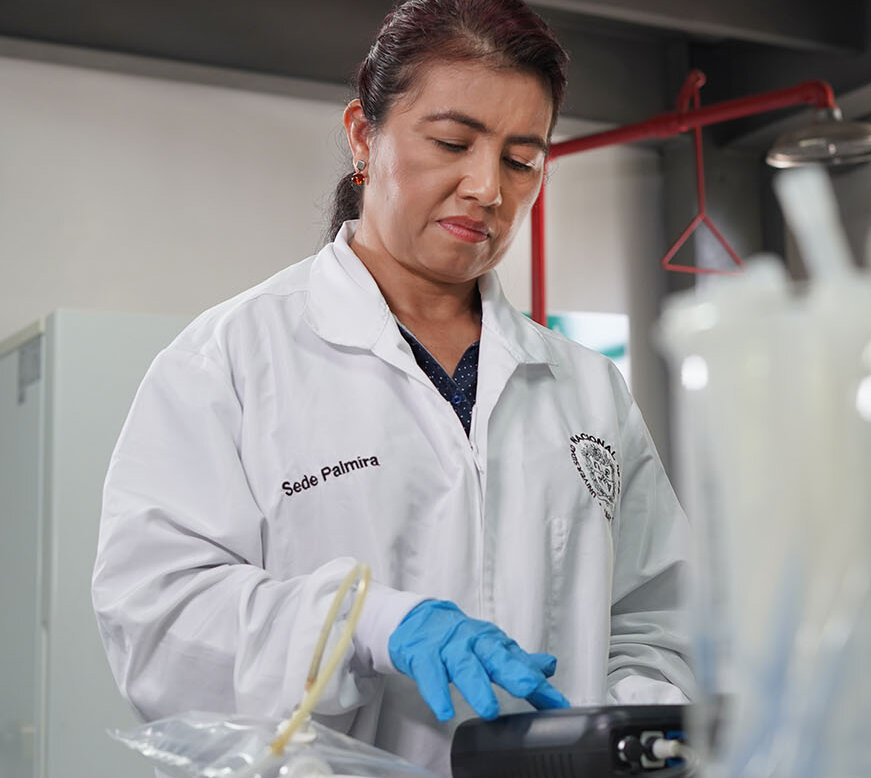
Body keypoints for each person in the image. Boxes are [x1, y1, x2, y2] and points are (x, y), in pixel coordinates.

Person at [90, 0, 694, 774]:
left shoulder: (587, 390)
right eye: (451, 142)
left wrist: (625, 720)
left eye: (522, 159)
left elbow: (656, 619)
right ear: (363, 135)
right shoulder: (231, 362)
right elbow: (157, 622)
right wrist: (364, 624)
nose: (487, 188)